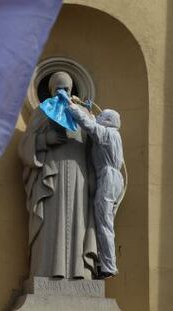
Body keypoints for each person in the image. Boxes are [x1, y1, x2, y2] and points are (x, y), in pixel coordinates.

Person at [18, 72, 98, 279]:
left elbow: (97, 147)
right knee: (49, 225)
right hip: (50, 177)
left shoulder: (82, 114)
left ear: (73, 90)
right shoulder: (43, 111)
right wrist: (45, 140)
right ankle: (45, 271)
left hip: (79, 177)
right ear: (51, 89)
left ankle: (79, 273)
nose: (63, 92)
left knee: (79, 223)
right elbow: (25, 146)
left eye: (67, 88)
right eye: (58, 88)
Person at [67, 99, 124, 279]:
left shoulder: (108, 134)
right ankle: (104, 261)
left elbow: (89, 125)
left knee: (104, 222)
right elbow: (93, 123)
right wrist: (90, 112)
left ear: (107, 120)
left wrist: (72, 107)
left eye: (101, 116)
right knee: (105, 221)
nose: (98, 117)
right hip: (114, 178)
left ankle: (108, 266)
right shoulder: (114, 134)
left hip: (107, 176)